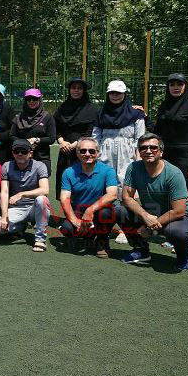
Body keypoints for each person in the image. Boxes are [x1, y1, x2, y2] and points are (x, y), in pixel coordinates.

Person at [117, 133, 188, 272]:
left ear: (161, 151)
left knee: (176, 231)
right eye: (143, 148)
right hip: (151, 214)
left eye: (153, 147)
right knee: (120, 211)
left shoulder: (174, 173)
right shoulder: (134, 168)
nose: (148, 151)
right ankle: (141, 250)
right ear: (139, 152)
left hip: (179, 217)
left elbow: (179, 211)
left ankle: (183, 256)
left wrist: (149, 228)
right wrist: (145, 216)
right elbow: (127, 197)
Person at [92, 80, 146, 244]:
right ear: (108, 95)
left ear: (124, 94)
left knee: (126, 190)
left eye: (118, 93)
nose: (115, 96)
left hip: (127, 154)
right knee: (105, 189)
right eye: (112, 93)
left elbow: (140, 138)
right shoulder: (100, 113)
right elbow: (96, 137)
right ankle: (104, 226)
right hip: (105, 154)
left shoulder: (136, 114)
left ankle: (125, 228)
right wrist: (95, 156)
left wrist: (138, 159)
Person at [151, 72, 188, 251]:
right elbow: (157, 130)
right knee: (167, 196)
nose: (176, 87)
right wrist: (142, 116)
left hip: (186, 158)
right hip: (166, 156)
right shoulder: (164, 105)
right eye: (172, 84)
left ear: (185, 86)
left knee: (186, 196)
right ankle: (173, 235)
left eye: (179, 84)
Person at [58, 137, 119, 258]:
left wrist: (90, 210)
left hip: (99, 211)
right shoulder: (68, 172)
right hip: (79, 212)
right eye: (83, 151)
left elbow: (112, 195)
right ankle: (87, 236)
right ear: (77, 153)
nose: (87, 154)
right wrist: (75, 221)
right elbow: (64, 199)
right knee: (67, 228)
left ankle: (102, 241)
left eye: (91, 151)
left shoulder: (108, 171)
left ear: (98, 153)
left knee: (109, 212)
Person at [0, 139, 51, 252]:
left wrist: (22, 194)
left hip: (34, 207)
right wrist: (4, 217)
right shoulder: (6, 166)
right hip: (16, 208)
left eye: (23, 151)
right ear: (13, 153)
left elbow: (45, 190)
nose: (20, 154)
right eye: (16, 151)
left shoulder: (40, 166)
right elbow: (4, 192)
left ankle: (40, 239)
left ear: (30, 153)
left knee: (42, 199)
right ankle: (21, 226)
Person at [53, 78, 98, 199]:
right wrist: (61, 141)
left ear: (84, 91)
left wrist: (75, 145)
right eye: (73, 88)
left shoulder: (91, 109)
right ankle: (67, 210)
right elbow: (56, 128)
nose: (76, 90)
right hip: (65, 151)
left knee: (83, 184)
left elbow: (90, 131)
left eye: (79, 88)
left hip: (84, 152)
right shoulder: (62, 108)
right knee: (65, 185)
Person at [9, 88, 56, 174]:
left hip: (41, 157)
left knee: (42, 182)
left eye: (34, 99)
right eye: (28, 99)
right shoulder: (19, 117)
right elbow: (12, 135)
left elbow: (51, 138)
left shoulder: (47, 117)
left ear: (39, 100)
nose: (31, 101)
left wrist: (36, 140)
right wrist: (24, 142)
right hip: (21, 157)